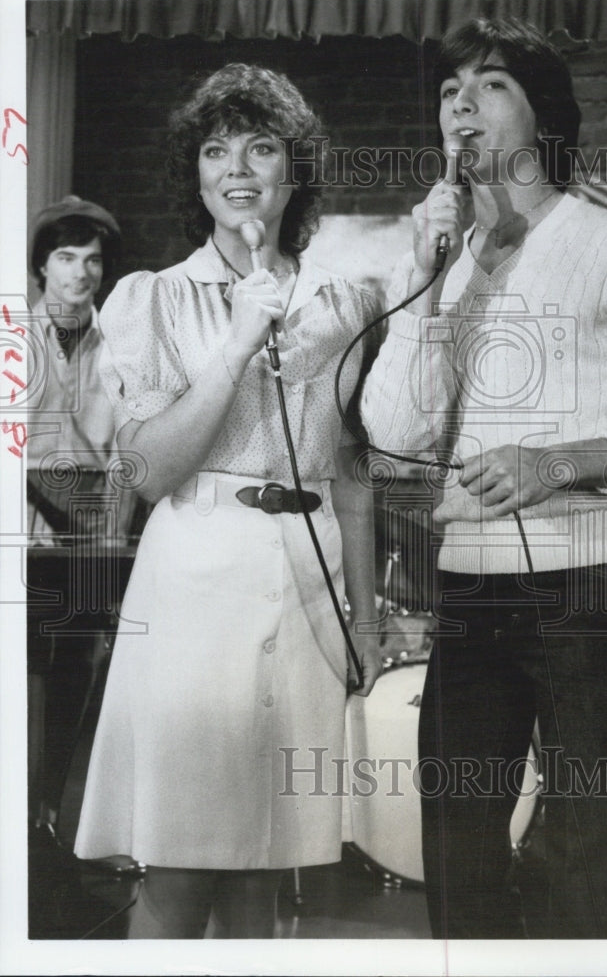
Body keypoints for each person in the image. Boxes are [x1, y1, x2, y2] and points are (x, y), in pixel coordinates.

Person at [361, 17, 607, 939]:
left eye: (489, 87)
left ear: (542, 117)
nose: (461, 107)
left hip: (584, 589)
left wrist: (559, 462)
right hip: (468, 587)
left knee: (591, 843)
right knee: (457, 838)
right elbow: (394, 433)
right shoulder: (435, 266)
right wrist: (423, 277)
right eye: (450, 93)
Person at [73, 63, 382, 938]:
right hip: (193, 589)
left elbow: (351, 469)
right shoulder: (152, 297)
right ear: (195, 174)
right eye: (215, 150)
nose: (237, 166)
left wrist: (365, 615)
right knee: (180, 868)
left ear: (296, 170)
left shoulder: (347, 301)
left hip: (309, 591)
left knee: (268, 876)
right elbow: (146, 471)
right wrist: (239, 340)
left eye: (261, 146)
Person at [26, 197, 131, 846]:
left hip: (91, 536)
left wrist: (113, 529)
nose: (80, 272)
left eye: (92, 260)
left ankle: (48, 815)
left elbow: (130, 452)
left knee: (79, 675)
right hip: (25, 531)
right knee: (26, 673)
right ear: (42, 267)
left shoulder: (119, 345)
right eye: (66, 257)